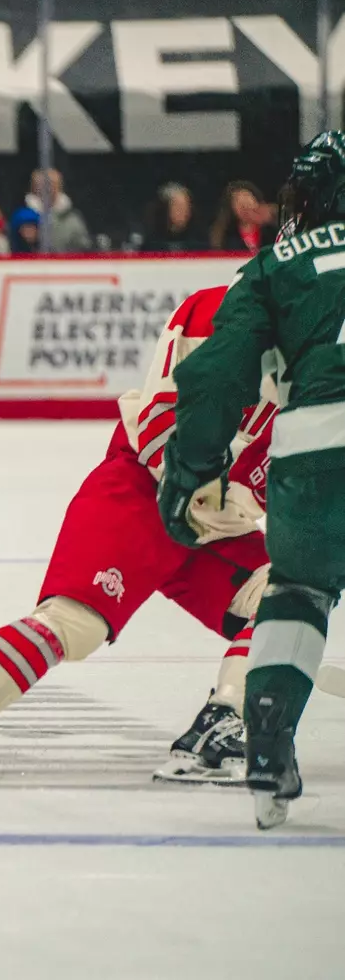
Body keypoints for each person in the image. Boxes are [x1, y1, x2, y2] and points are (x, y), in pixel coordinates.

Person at [0, 278, 279, 784]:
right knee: (75, 623)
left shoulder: (318, 362)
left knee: (288, 596)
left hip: (216, 526)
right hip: (143, 493)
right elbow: (163, 424)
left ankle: (223, 724)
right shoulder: (225, 311)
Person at [159, 130, 345, 829]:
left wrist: (191, 472)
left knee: (296, 593)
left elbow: (212, 376)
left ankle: (266, 738)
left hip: (311, 450)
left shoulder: (274, 265)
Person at [209, 180, 277, 254]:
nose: (245, 205)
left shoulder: (272, 231)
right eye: (238, 202)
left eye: (247, 198)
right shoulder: (226, 237)